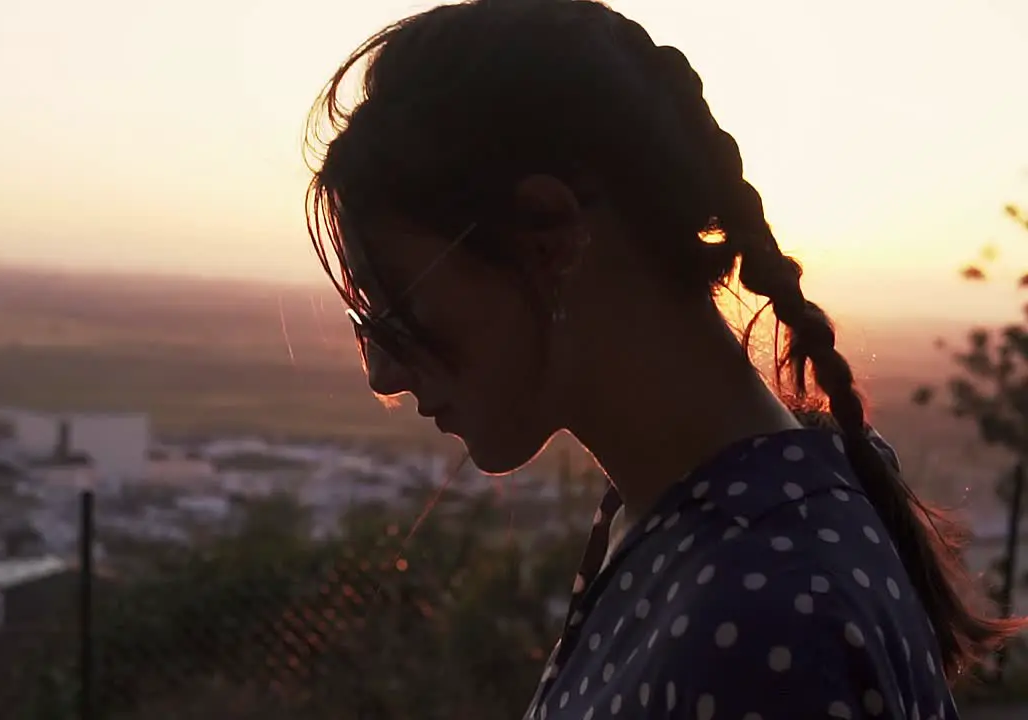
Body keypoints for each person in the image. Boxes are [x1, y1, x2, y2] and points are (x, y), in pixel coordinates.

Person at [303, 0, 1025, 718]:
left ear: (548, 238)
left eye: (397, 313)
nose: (382, 373)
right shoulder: (696, 516)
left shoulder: (762, 618)